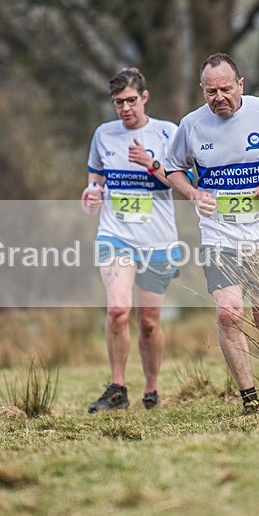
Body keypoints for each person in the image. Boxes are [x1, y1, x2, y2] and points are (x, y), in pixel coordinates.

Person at [164, 53, 259, 414]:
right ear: (202, 91)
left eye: (225, 89)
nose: (219, 97)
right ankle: (249, 400)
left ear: (241, 86)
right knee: (229, 314)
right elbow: (172, 169)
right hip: (220, 234)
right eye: (210, 91)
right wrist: (193, 193)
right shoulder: (191, 125)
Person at [81, 68, 181, 413]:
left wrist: (151, 163)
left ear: (145, 97)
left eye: (131, 101)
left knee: (149, 322)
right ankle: (118, 388)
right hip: (115, 235)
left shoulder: (168, 132)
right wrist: (92, 191)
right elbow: (96, 175)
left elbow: (184, 182)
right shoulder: (104, 135)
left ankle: (151, 389)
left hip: (157, 240)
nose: (125, 108)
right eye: (118, 103)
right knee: (118, 311)